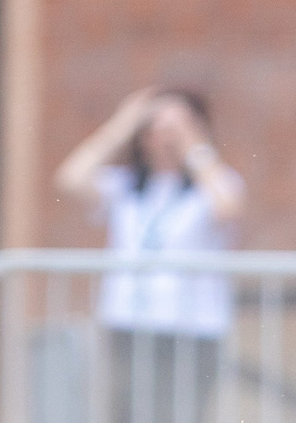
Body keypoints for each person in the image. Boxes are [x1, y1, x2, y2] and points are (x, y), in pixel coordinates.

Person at [54, 89, 246, 423]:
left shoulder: (213, 185)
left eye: (178, 126)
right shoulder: (125, 186)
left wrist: (194, 148)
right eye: (155, 127)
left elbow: (228, 207)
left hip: (192, 328)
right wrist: (121, 126)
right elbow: (70, 178)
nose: (166, 136)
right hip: (127, 323)